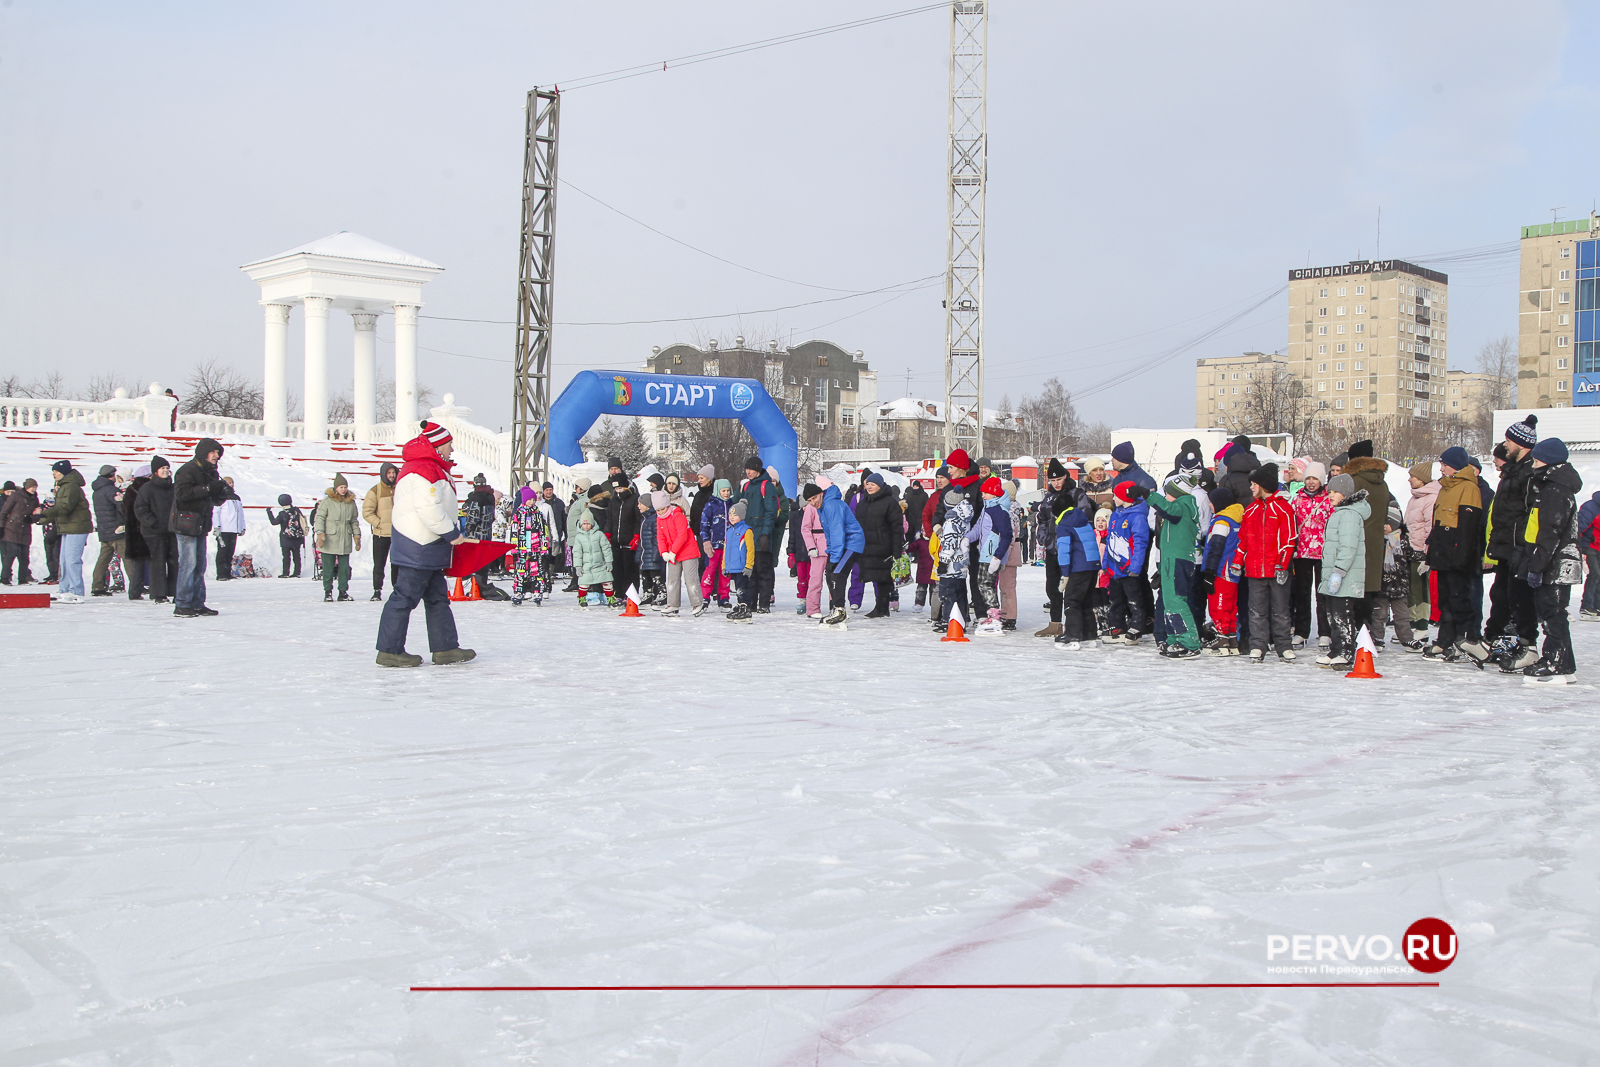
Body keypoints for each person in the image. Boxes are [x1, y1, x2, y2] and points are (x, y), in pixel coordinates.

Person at [376, 422, 475, 666]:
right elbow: (428, 510)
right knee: (405, 598)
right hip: (419, 545)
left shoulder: (427, 468)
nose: (451, 450)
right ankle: (389, 650)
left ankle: (446, 648)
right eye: (449, 445)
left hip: (426, 546)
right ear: (438, 445)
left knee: (437, 598)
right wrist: (451, 533)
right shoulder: (424, 470)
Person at [1514, 437, 1583, 683]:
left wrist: (1538, 565)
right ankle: (1560, 660)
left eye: (1538, 459)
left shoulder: (1555, 490)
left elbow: (1551, 531)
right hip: (1555, 562)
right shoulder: (1550, 486)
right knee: (1551, 612)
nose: (1533, 463)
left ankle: (1557, 663)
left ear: (1550, 462)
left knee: (1552, 612)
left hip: (1557, 564)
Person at [1484, 415, 1540, 666]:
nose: (1505, 445)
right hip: (1506, 546)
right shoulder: (1512, 471)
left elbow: (1529, 512)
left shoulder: (1529, 472)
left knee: (1519, 599)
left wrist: (1525, 546)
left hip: (1520, 547)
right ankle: (1500, 641)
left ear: (1521, 443)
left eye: (1508, 440)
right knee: (1502, 595)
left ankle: (1524, 644)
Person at [1424, 448, 1486, 663]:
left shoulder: (1468, 487)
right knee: (1445, 600)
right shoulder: (1446, 487)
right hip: (1443, 551)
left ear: (1457, 466)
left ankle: (1465, 638)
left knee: (1460, 598)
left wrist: (1462, 555)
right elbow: (1438, 522)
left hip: (1457, 553)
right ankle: (1445, 639)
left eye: (1445, 465)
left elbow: (1469, 526)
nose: (1441, 469)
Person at [1236, 462, 1297, 662]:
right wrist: (1238, 561)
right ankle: (1258, 646)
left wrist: (1283, 564)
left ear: (1263, 486)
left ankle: (1283, 646)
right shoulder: (1250, 510)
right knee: (1256, 611)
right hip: (1254, 570)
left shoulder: (1284, 509)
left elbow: (1289, 539)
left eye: (1254, 484)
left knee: (1280, 610)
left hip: (1277, 569)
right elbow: (1243, 540)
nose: (1251, 488)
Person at [1142, 473, 1203, 657]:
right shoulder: (1178, 506)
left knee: (1176, 601)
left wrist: (1148, 495)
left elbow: (1168, 508)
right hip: (1171, 560)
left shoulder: (1183, 505)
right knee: (1170, 602)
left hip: (1178, 559)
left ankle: (1189, 642)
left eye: (1168, 493)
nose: (1165, 496)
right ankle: (1175, 638)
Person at [170, 438, 229, 617]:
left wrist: (221, 493)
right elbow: (182, 494)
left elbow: (211, 497)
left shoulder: (210, 471)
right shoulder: (188, 470)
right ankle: (182, 603)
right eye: (213, 452)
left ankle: (197, 603)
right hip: (187, 522)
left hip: (200, 523)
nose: (216, 456)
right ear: (204, 453)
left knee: (199, 566)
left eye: (218, 453)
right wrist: (208, 488)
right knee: (188, 565)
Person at [1315, 474, 1369, 669]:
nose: (1330, 495)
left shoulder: (1349, 515)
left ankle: (1346, 650)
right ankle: (1337, 648)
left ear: (1345, 493)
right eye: (1329, 491)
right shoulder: (1339, 513)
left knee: (1342, 613)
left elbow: (1348, 547)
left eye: (1335, 492)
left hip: (1345, 575)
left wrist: (1339, 571)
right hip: (1333, 573)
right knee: (1333, 613)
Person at [1342, 440, 1390, 642]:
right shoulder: (1382, 482)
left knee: (1351, 594)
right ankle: (1369, 635)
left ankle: (1353, 637)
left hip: (1354, 543)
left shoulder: (1353, 481)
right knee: (1369, 593)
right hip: (1375, 544)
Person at [32, 460, 92, 603]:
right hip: (67, 526)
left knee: (72, 560)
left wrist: (43, 514)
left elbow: (65, 508)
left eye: (56, 472)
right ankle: (65, 589)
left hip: (76, 527)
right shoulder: (62, 486)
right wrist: (40, 519)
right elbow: (60, 511)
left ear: (64, 473)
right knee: (64, 560)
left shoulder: (71, 486)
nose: (54, 474)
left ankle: (76, 591)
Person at [1053, 482, 1102, 650]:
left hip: (1078, 568)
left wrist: (1065, 573)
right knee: (1086, 601)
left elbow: (1064, 551)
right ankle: (1089, 635)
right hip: (1092, 566)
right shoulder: (1082, 519)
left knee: (1072, 601)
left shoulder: (1064, 524)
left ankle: (1073, 635)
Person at [1102, 480, 1151, 643]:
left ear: (1125, 497)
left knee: (1133, 598)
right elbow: (1109, 540)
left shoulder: (1137, 517)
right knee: (1115, 598)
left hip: (1128, 567)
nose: (1113, 498)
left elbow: (1140, 543)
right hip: (1114, 567)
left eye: (1116, 495)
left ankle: (1137, 625)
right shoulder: (1116, 514)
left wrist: (1136, 566)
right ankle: (1118, 625)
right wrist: (1106, 562)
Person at [1289, 461, 1332, 648]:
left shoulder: (1328, 499)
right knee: (1302, 594)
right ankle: (1301, 631)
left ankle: (1325, 632)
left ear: (1321, 480)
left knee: (1322, 594)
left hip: (1323, 552)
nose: (1311, 482)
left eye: (1315, 478)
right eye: (1308, 478)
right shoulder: (1297, 499)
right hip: (1302, 552)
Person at [1035, 459, 1077, 638]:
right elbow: (1042, 519)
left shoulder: (1076, 494)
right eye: (1052, 481)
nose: (1056, 483)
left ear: (1065, 477)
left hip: (1070, 550)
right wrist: (1043, 538)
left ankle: (1071, 624)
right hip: (1052, 549)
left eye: (1059, 479)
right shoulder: (1049, 497)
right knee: (1052, 587)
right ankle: (1055, 623)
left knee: (1070, 588)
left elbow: (1083, 518)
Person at [1201, 486, 1245, 655]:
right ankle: (1231, 637)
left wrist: (1209, 572)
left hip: (1221, 570)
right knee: (1230, 605)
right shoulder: (1235, 520)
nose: (1210, 507)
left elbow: (1216, 548)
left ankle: (1222, 637)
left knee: (1218, 605)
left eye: (1211, 503)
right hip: (1233, 571)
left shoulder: (1222, 522)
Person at [736, 457, 783, 613]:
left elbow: (771, 512)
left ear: (758, 469)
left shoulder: (767, 486)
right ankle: (751, 603)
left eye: (751, 469)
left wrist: (765, 534)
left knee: (763, 571)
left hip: (761, 534)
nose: (748, 472)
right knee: (750, 571)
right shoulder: (747, 486)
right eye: (746, 469)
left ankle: (764, 603)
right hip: (748, 534)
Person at [854, 473, 904, 618]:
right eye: (868, 484)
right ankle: (880, 606)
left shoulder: (890, 503)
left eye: (873, 484)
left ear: (880, 486)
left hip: (884, 546)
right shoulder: (863, 503)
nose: (869, 487)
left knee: (883, 578)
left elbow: (897, 527)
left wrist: (896, 549)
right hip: (867, 546)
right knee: (874, 576)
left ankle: (882, 607)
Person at [654, 490, 705, 618]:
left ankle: (697, 603)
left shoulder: (677, 515)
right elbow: (660, 537)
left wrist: (673, 551)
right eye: (658, 510)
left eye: (663, 509)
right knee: (672, 579)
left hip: (688, 552)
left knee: (690, 579)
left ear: (667, 505)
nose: (661, 512)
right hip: (673, 553)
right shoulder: (660, 520)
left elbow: (682, 535)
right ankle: (672, 605)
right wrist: (664, 552)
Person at [1404, 462, 1439, 641]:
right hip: (1410, 549)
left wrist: (1427, 554)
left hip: (1421, 551)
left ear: (1422, 479)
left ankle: (1422, 625)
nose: (1409, 480)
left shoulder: (1430, 498)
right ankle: (1413, 622)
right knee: (1410, 587)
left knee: (1420, 588)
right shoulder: (1415, 498)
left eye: (1413, 476)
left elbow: (1430, 527)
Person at [314, 473, 362, 602]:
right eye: (341, 487)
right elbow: (319, 518)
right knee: (328, 569)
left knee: (344, 569)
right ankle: (328, 592)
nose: (343, 489)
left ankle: (343, 592)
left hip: (344, 539)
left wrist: (356, 535)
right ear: (336, 488)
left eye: (345, 486)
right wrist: (320, 533)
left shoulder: (350, 503)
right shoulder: (327, 502)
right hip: (330, 539)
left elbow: (353, 520)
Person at [136, 457, 178, 603]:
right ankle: (158, 593)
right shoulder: (147, 488)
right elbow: (140, 509)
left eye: (167, 468)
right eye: (162, 468)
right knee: (157, 562)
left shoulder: (173, 487)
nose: (166, 471)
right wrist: (153, 523)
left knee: (174, 561)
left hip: (171, 531)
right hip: (153, 532)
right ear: (155, 471)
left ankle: (175, 591)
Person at [935, 489, 974, 634]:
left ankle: (949, 620)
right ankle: (961, 620)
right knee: (960, 594)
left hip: (950, 566)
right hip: (961, 564)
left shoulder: (951, 522)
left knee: (948, 593)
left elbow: (949, 543)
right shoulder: (964, 519)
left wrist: (943, 561)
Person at [985, 478, 1019, 631]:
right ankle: (1006, 614)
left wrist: (1003, 555)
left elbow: (1009, 536)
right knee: (1005, 586)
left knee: (1007, 586)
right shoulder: (1013, 509)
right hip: (1010, 552)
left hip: (1009, 553)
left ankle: (1009, 616)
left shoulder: (1008, 511)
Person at [363, 462, 399, 600]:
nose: (391, 475)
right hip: (380, 534)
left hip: (397, 533)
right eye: (389, 473)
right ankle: (377, 590)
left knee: (396, 564)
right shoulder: (375, 491)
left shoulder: (400, 489)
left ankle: (397, 589)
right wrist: (378, 523)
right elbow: (367, 511)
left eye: (393, 473)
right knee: (379, 564)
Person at [89, 464, 124, 596]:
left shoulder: (97, 490)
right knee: (128, 558)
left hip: (104, 529)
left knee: (103, 559)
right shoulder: (111, 490)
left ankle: (97, 586)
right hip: (116, 530)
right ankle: (136, 586)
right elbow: (121, 506)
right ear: (111, 475)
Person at [570, 503, 614, 607]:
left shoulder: (599, 534)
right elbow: (577, 553)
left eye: (588, 523)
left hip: (600, 564)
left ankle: (610, 598)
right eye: (584, 524)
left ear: (592, 524)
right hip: (587, 566)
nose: (586, 526)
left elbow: (606, 548)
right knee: (584, 583)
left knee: (607, 581)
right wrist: (578, 566)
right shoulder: (579, 538)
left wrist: (608, 561)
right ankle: (582, 598)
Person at [699, 478, 732, 607]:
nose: (726, 493)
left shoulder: (732, 506)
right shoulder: (710, 506)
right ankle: (705, 595)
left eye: (728, 490)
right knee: (710, 570)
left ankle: (723, 597)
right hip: (713, 546)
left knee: (725, 572)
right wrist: (706, 541)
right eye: (723, 491)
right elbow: (704, 525)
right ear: (718, 491)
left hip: (727, 546)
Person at [120, 465, 151, 599]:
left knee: (137, 563)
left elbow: (123, 509)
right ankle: (155, 589)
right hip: (146, 528)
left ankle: (134, 591)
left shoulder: (130, 490)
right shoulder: (147, 489)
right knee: (153, 561)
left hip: (133, 530)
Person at [797, 482, 828, 619]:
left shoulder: (829, 504)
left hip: (832, 546)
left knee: (835, 579)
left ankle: (836, 606)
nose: (813, 502)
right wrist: (811, 547)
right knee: (815, 579)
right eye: (810, 500)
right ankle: (813, 608)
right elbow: (805, 528)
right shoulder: (810, 509)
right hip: (817, 547)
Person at [1, 478, 39, 585]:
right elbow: (4, 511)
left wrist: (31, 519)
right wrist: (1, 527)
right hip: (12, 529)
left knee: (24, 557)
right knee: (11, 554)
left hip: (25, 531)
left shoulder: (35, 499)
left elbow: (37, 514)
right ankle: (4, 577)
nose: (33, 489)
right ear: (27, 487)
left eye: (35, 487)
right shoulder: (16, 496)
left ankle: (22, 579)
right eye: (32, 487)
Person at [723, 500, 756, 622]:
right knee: (737, 589)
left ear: (741, 516)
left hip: (742, 567)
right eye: (730, 514)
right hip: (732, 566)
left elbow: (750, 549)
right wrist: (724, 566)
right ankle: (740, 605)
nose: (732, 517)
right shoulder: (729, 531)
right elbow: (726, 550)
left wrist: (749, 565)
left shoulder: (746, 531)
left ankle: (745, 608)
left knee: (743, 588)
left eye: (735, 515)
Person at [212, 476, 245, 581]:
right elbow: (215, 512)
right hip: (224, 529)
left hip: (234, 529)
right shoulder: (220, 497)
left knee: (230, 552)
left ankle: (227, 572)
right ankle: (221, 573)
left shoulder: (236, 497)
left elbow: (240, 514)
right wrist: (216, 526)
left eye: (232, 483)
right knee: (222, 552)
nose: (231, 485)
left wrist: (242, 527)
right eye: (229, 483)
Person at [634, 489, 664, 605]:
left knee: (656, 576)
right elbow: (642, 540)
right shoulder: (644, 519)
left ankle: (661, 594)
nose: (638, 506)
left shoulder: (654, 519)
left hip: (652, 555)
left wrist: (656, 554)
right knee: (645, 576)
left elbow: (657, 539)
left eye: (640, 504)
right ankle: (647, 593)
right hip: (644, 555)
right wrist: (639, 555)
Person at [266, 494, 306, 578]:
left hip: (286, 538)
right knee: (296, 556)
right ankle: (297, 572)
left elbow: (274, 522)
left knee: (286, 557)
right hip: (297, 537)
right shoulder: (297, 511)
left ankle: (285, 573)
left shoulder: (282, 514)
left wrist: (269, 512)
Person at [540, 482, 567, 589]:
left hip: (557, 533)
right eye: (546, 490)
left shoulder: (559, 503)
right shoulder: (541, 504)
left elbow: (563, 518)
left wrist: (565, 531)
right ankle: (544, 574)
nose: (549, 492)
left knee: (553, 555)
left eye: (550, 489)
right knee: (544, 556)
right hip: (544, 534)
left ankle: (550, 574)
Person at [1579, 485, 1600, 621]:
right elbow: (1580, 525)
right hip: (1589, 545)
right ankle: (1586, 607)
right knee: (1594, 574)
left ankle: (1596, 606)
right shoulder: (1591, 507)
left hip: (1598, 546)